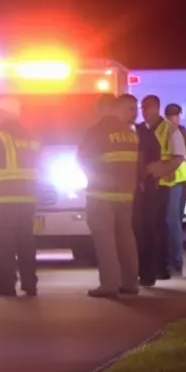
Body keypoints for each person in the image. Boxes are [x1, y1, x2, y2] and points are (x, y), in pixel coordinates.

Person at [77, 94, 140, 298]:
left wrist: (93, 178)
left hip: (101, 194)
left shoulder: (97, 130)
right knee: (126, 238)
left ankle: (109, 285)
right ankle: (131, 282)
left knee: (105, 240)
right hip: (126, 194)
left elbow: (83, 158)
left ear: (101, 108)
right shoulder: (129, 132)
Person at [0, 97, 41, 297]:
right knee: (26, 242)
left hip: (3, 199)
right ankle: (30, 283)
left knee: (4, 243)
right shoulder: (32, 138)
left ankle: (6, 285)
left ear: (4, 114)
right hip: (27, 198)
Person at [134, 94, 186, 284]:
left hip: (163, 185)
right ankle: (154, 267)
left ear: (156, 108)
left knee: (157, 226)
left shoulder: (170, 130)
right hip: (145, 186)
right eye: (142, 108)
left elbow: (178, 157)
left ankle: (161, 267)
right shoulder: (141, 129)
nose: (143, 112)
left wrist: (160, 170)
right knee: (148, 226)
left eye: (146, 108)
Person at [164, 102, 186, 274]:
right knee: (172, 222)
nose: (174, 118)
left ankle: (176, 262)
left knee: (172, 221)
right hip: (171, 181)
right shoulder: (167, 132)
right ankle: (173, 261)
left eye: (176, 115)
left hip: (178, 181)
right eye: (171, 115)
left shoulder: (182, 133)